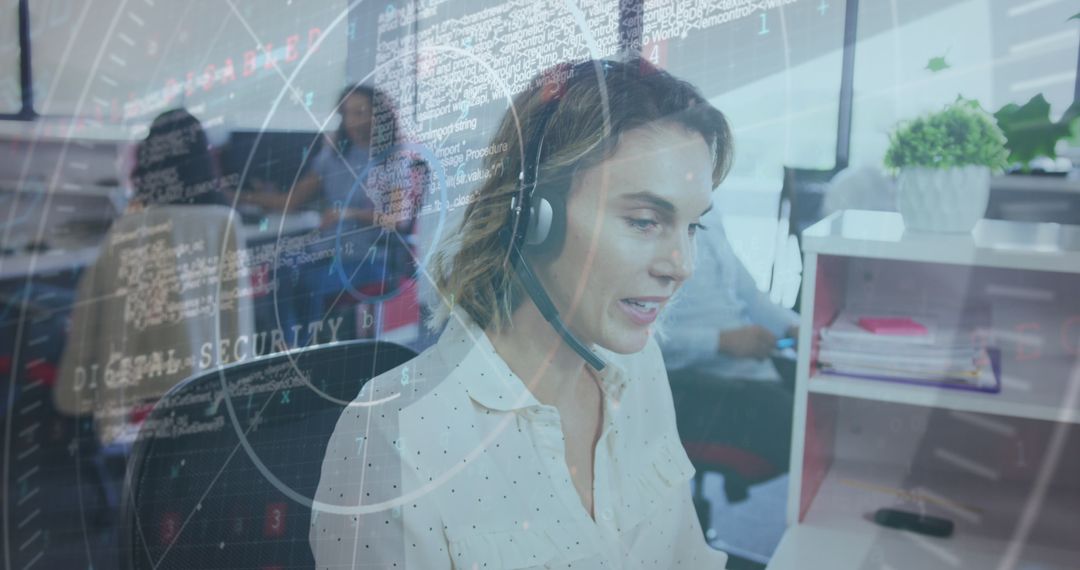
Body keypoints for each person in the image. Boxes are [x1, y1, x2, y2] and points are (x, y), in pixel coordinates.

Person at [310, 57, 734, 568]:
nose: (682, 266)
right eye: (645, 222)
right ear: (533, 216)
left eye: (693, 227)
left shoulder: (639, 371)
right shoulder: (394, 437)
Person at [238, 85, 413, 338]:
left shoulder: (393, 158)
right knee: (280, 273)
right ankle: (289, 352)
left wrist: (348, 214)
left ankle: (304, 353)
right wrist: (239, 196)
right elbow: (292, 201)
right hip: (328, 254)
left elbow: (399, 219)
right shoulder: (334, 154)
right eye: (348, 114)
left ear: (380, 115)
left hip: (371, 260)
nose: (354, 121)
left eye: (361, 112)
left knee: (305, 284)